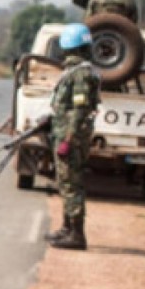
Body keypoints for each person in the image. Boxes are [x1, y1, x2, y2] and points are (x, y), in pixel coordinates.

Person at [45, 24, 100, 250]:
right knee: (65, 183)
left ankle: (77, 235)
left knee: (72, 185)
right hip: (65, 134)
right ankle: (67, 228)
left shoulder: (81, 74)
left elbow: (79, 110)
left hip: (72, 139)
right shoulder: (75, 72)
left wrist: (68, 140)